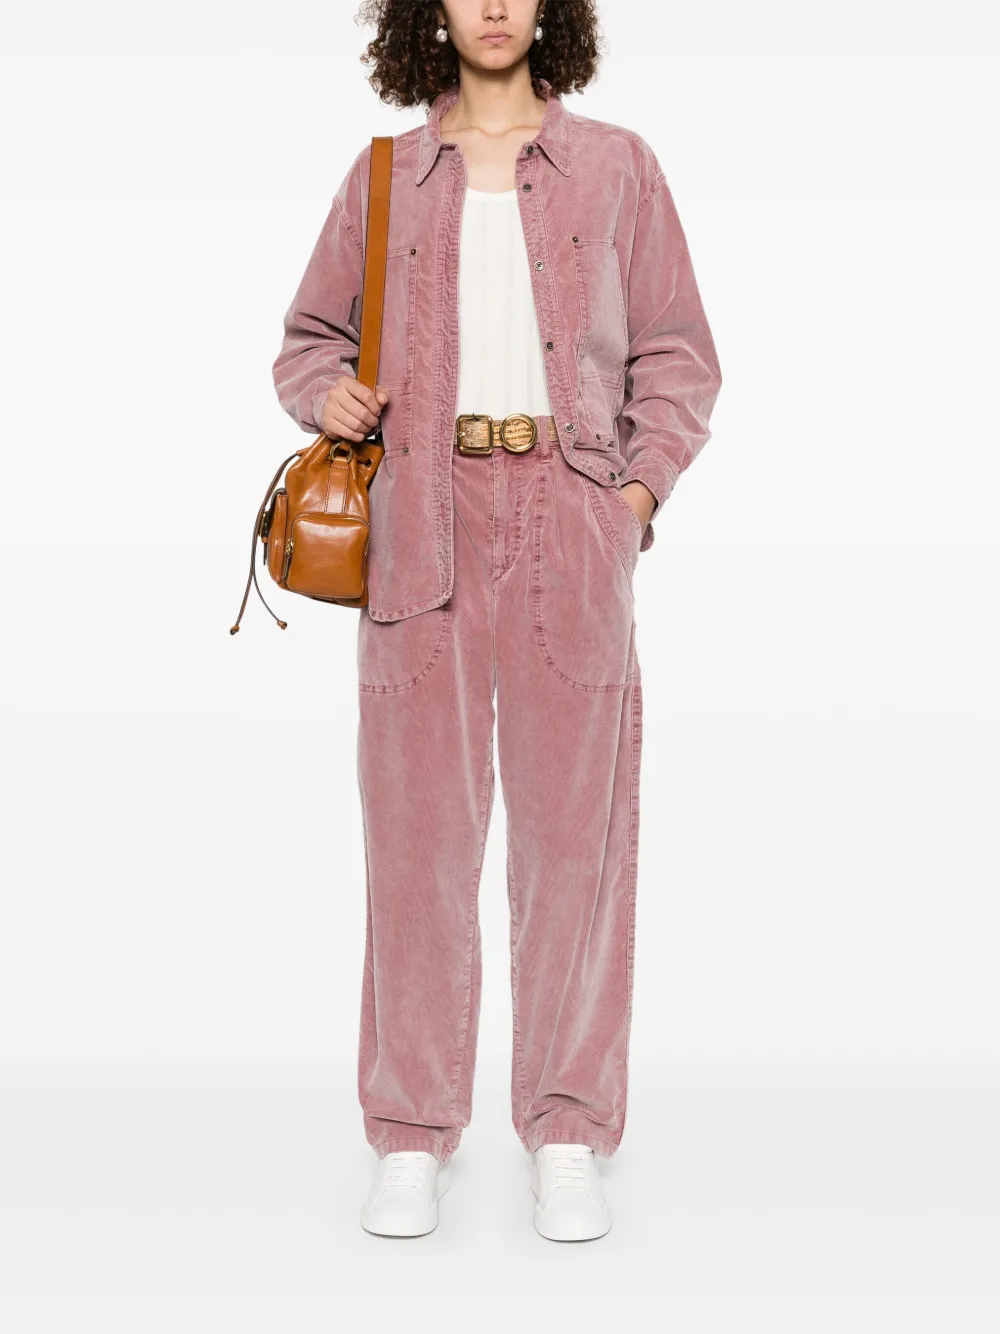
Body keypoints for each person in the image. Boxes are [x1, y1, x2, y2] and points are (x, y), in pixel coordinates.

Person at [271, 0, 722, 1241]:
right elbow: (305, 342)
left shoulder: (617, 167)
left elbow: (678, 354)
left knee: (574, 842)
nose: (491, 4)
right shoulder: (384, 173)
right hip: (419, 521)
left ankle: (566, 1124)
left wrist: (631, 499)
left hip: (570, 517)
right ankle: (410, 1129)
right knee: (415, 840)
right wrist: (330, 393)